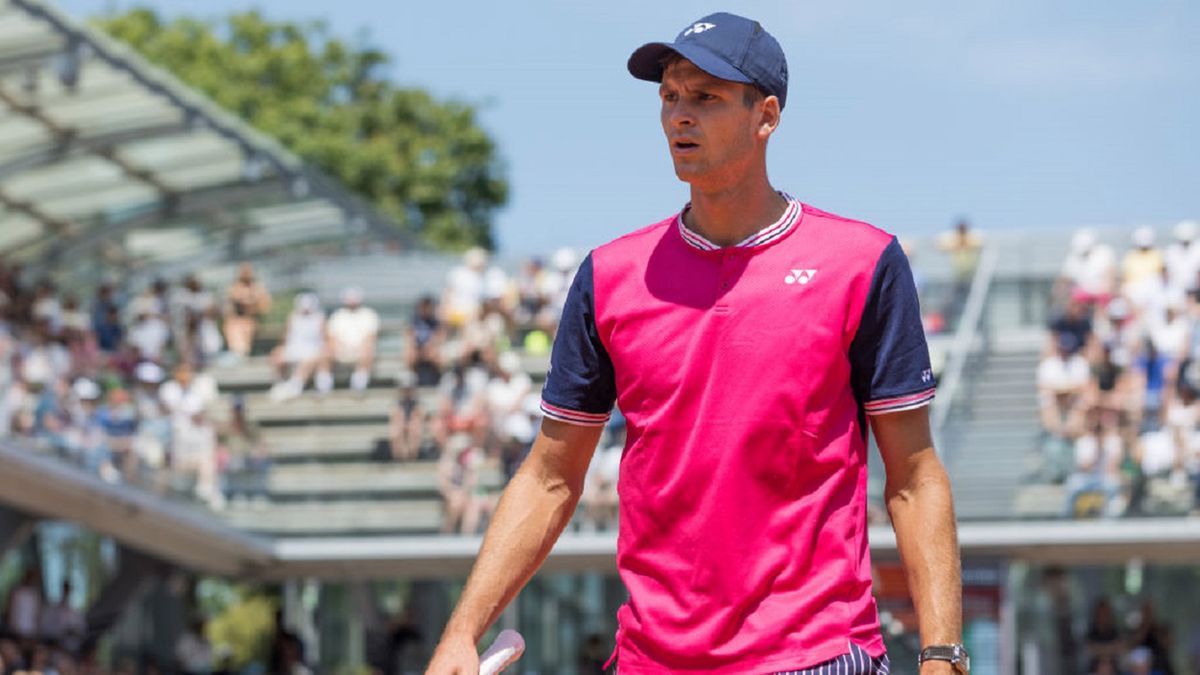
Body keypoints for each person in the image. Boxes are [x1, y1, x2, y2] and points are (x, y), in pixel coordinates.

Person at [427, 13, 963, 674]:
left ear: (765, 116)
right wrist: (461, 632)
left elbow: (912, 477)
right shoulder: (609, 276)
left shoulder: (862, 262)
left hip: (816, 652)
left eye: (704, 97)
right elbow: (549, 476)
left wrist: (942, 654)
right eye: (670, 97)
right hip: (650, 660)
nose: (680, 114)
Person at [320, 286, 379, 393]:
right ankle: (324, 387)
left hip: (361, 350)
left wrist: (358, 348)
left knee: (367, 351)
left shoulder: (368, 315)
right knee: (325, 352)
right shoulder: (337, 316)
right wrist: (341, 348)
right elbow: (331, 337)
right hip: (340, 350)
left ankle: (359, 385)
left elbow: (370, 338)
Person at [223, 263, 272, 358]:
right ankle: (238, 353)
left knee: (246, 326)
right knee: (234, 327)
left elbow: (264, 306)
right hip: (236, 320)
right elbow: (232, 302)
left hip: (252, 320)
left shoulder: (258, 287)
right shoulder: (235, 287)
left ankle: (241, 353)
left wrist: (250, 304)